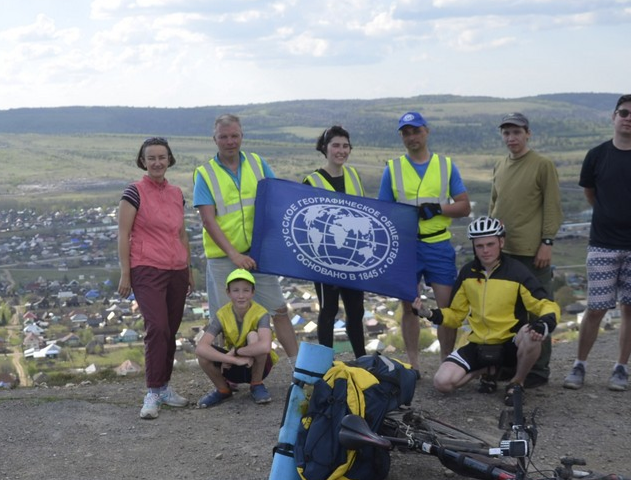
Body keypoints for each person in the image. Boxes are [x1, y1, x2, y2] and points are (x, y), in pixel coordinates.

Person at [564, 94, 631, 392]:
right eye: (623, 113)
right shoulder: (596, 155)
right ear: (613, 117)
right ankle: (579, 364)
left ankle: (621, 367)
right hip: (602, 244)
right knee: (596, 309)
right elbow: (591, 193)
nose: (628, 118)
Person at [413, 217, 559, 406]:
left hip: (510, 343)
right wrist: (430, 314)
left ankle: (517, 383)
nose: (485, 250)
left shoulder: (517, 272)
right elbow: (456, 315)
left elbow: (544, 303)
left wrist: (545, 323)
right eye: (480, 246)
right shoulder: (467, 273)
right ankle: (487, 370)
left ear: (501, 242)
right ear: (474, 246)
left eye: (490, 244)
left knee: (531, 335)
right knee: (442, 383)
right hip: (479, 344)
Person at [193, 113, 299, 364]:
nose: (230, 141)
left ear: (242, 136)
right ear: (214, 139)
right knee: (224, 319)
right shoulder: (205, 174)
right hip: (223, 259)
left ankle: (298, 367)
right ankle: (230, 374)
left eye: (235, 136)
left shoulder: (257, 163)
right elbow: (208, 220)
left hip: (258, 254)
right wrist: (234, 255)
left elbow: (277, 197)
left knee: (279, 310)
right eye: (224, 137)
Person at [378, 111, 471, 367]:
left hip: (438, 243)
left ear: (426, 132)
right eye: (406, 133)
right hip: (406, 246)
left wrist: (438, 209)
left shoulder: (446, 166)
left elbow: (464, 206)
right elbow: (382, 212)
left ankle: (446, 362)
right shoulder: (392, 169)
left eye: (416, 131)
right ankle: (413, 364)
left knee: (446, 307)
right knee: (409, 307)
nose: (411, 137)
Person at [117, 137, 193, 419]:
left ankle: (164, 387)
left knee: (170, 330)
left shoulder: (176, 193)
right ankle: (152, 392)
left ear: (169, 159)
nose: (157, 162)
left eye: (162, 157)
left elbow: (181, 234)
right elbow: (123, 234)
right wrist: (126, 273)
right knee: (157, 327)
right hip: (146, 268)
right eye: (152, 158)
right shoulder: (134, 192)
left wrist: (189, 270)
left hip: (177, 269)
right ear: (143, 161)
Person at [489, 112, 562, 389]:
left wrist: (547, 242)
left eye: (517, 132)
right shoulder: (500, 165)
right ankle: (512, 364)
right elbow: (494, 205)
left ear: (528, 134)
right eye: (506, 133)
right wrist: (491, 241)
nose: (511, 138)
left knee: (539, 311)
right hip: (504, 251)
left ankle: (538, 370)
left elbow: (553, 205)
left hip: (533, 253)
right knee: (510, 311)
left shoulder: (542, 165)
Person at [302, 125, 367, 358]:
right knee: (328, 310)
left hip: (354, 256)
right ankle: (325, 365)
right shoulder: (311, 181)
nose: (341, 150)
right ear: (325, 148)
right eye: (336, 145)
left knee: (356, 311)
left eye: (345, 146)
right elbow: (306, 222)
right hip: (325, 258)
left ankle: (362, 359)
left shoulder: (354, 176)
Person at [194, 269, 276, 407]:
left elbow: (265, 346)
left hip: (258, 365)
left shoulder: (261, 313)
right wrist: (232, 359)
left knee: (254, 336)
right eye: (236, 290)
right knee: (203, 354)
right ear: (228, 292)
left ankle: (256, 384)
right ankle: (223, 390)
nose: (241, 296)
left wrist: (236, 352)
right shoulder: (222, 315)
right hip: (232, 366)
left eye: (246, 290)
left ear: (253, 292)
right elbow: (201, 347)